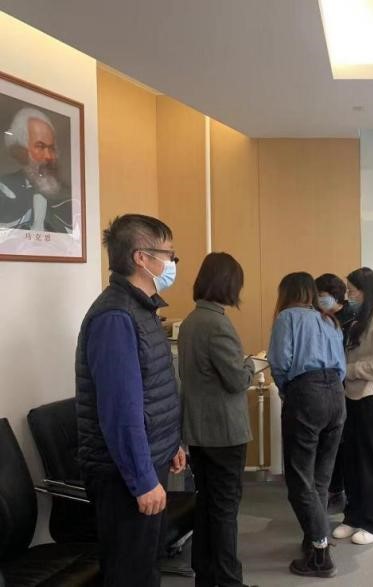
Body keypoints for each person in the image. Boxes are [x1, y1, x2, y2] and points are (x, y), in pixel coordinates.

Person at [75, 214, 186, 587]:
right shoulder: (115, 316)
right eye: (168, 254)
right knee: (130, 574)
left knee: (147, 565)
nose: (172, 263)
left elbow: (152, 390)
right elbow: (120, 411)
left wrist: (171, 444)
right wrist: (141, 480)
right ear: (141, 257)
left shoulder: (142, 308)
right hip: (123, 475)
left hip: (148, 460)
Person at [178, 252, 258, 587]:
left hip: (198, 431)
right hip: (225, 433)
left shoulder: (190, 322)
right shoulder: (219, 324)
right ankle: (228, 581)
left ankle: (207, 576)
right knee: (225, 510)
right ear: (227, 284)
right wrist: (252, 364)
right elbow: (237, 380)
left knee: (207, 505)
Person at [268, 272, 347, 578]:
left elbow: (280, 362)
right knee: (320, 480)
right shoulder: (330, 321)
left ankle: (320, 554)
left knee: (300, 480)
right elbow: (342, 367)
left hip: (306, 394)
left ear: (286, 293)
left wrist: (289, 391)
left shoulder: (287, 317)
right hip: (336, 397)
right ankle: (314, 538)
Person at [332, 267, 373, 545]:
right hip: (353, 397)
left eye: (352, 291)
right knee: (353, 462)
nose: (349, 296)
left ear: (366, 291)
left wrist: (350, 370)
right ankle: (355, 516)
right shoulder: (361, 318)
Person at [315, 272, 358, 512]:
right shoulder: (320, 317)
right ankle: (332, 489)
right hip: (329, 388)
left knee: (344, 443)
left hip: (349, 385)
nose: (318, 301)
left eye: (321, 296)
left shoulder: (353, 318)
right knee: (331, 442)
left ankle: (340, 490)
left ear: (335, 295)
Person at [1, 107, 71, 232]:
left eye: (51, 148)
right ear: (23, 150)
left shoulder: (69, 196)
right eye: (40, 146)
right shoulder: (4, 188)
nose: (48, 156)